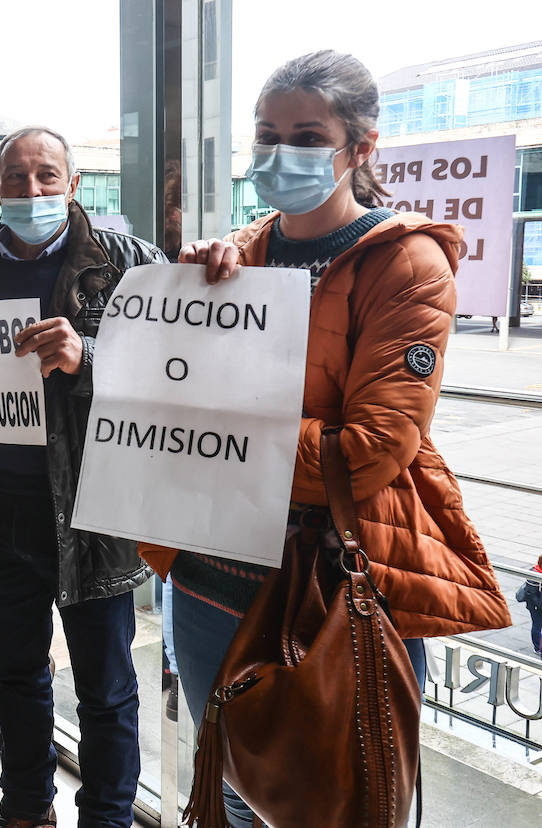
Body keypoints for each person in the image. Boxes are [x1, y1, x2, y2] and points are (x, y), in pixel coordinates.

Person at [145, 50, 511, 828]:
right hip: (208, 580)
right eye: (266, 134)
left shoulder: (407, 264)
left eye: (307, 136)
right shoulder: (238, 255)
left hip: (332, 583)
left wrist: (216, 428)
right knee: (237, 789)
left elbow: (376, 449)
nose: (281, 154)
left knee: (340, 802)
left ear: (362, 147)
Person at [0, 126, 164, 828]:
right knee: (18, 672)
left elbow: (172, 372)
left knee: (104, 686)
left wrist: (86, 353)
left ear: (72, 185)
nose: (30, 190)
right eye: (15, 176)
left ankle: (106, 817)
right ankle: (27, 805)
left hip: (92, 510)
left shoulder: (130, 264)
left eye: (46, 175)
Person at [517, 556, 542, 657]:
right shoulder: (534, 575)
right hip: (536, 607)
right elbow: (531, 594)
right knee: (537, 626)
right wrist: (539, 606)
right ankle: (537, 647)